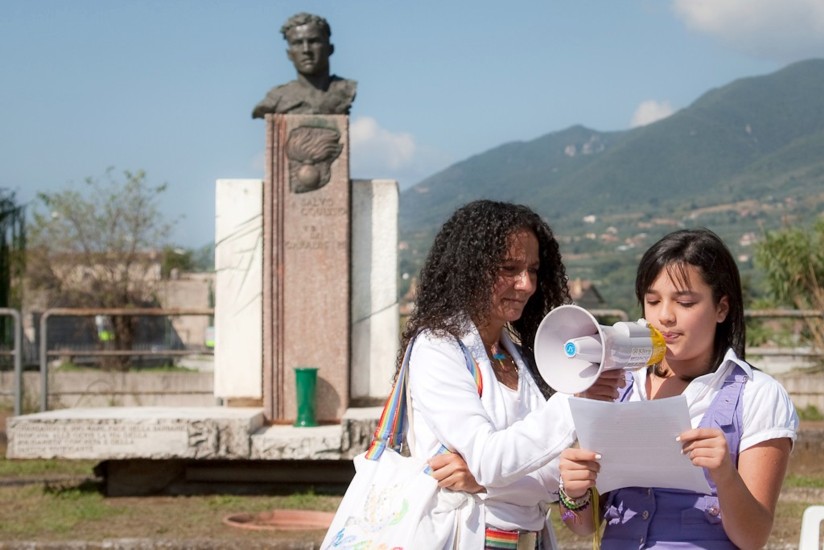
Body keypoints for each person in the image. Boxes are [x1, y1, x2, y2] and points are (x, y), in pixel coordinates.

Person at [557, 228, 799, 549]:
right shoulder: (617, 385)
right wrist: (573, 492)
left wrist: (725, 475)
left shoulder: (758, 394)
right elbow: (585, 528)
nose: (665, 316)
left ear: (722, 309)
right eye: (653, 301)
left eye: (684, 302)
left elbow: (753, 538)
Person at [402, 200, 622, 549]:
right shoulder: (437, 348)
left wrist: (486, 481)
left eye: (533, 270)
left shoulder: (519, 353)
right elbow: (495, 460)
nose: (527, 284)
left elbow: (551, 478)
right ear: (468, 269)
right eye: (509, 268)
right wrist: (574, 397)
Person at [251, 12, 357, 118]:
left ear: (330, 49)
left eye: (314, 41)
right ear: (289, 54)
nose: (306, 50)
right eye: (298, 43)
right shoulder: (276, 98)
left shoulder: (345, 89)